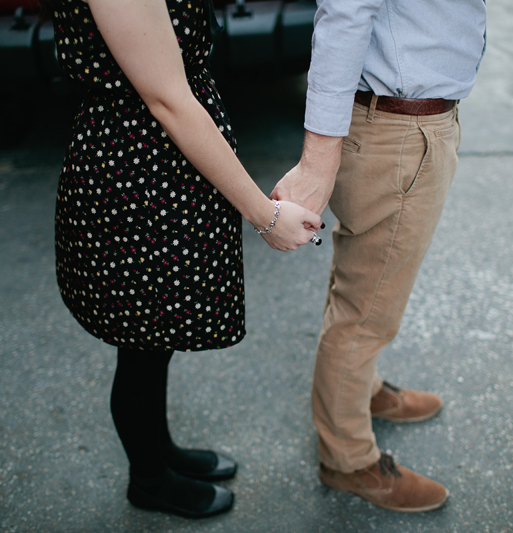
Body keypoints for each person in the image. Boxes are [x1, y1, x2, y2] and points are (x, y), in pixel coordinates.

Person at [38, 0, 322, 520]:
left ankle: (159, 451)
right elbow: (167, 97)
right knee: (142, 345)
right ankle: (148, 479)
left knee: (151, 342)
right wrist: (264, 215)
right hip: (138, 182)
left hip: (161, 171)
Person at [271, 0, 487, 513]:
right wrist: (318, 160)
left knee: (361, 285)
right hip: (399, 131)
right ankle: (347, 460)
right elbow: (345, 12)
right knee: (366, 315)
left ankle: (359, 388)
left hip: (400, 123)